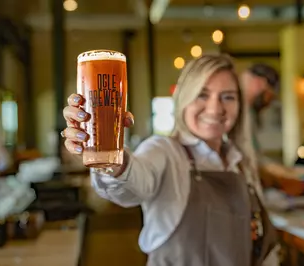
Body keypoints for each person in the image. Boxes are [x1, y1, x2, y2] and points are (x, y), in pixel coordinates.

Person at [62, 54, 279, 265]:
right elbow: (133, 185)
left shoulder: (239, 161)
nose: (215, 108)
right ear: (183, 100)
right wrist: (112, 161)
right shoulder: (164, 151)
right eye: (202, 95)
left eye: (228, 96)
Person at [241, 63, 304, 196]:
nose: (269, 102)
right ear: (260, 83)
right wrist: (287, 176)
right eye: (270, 95)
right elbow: (251, 160)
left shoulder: (247, 112)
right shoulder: (240, 111)